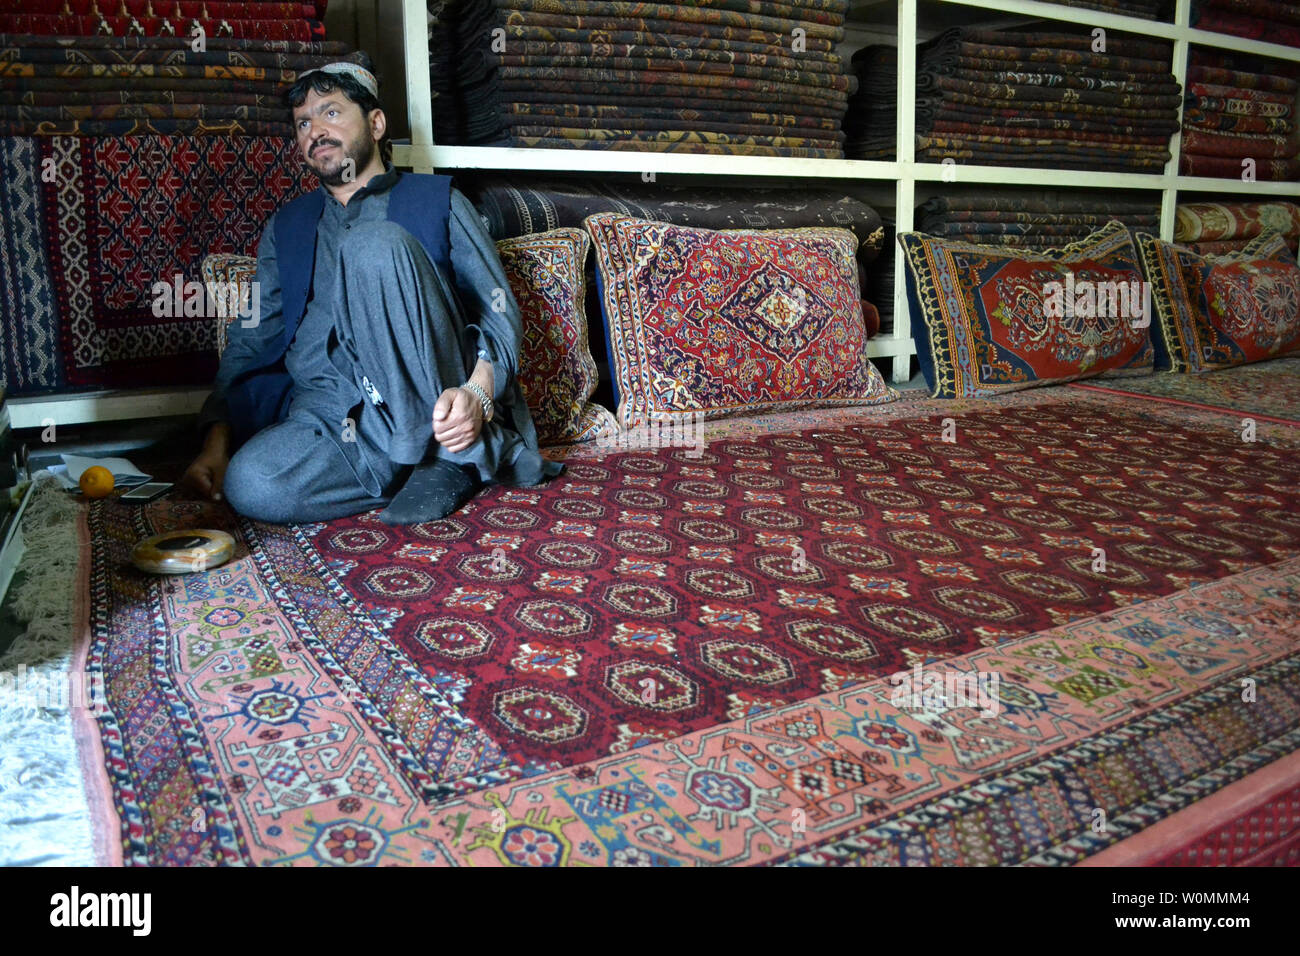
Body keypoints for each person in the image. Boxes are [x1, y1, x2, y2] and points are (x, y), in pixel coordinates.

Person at [182, 60, 560, 525]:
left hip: (434, 402)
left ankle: (449, 456)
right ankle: (404, 468)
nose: (315, 130)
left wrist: (477, 396)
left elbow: (498, 309)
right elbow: (252, 340)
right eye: (303, 123)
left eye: (331, 113)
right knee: (251, 483)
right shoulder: (287, 227)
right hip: (330, 416)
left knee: (371, 243)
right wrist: (215, 445)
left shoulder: (437, 199)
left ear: (376, 124)